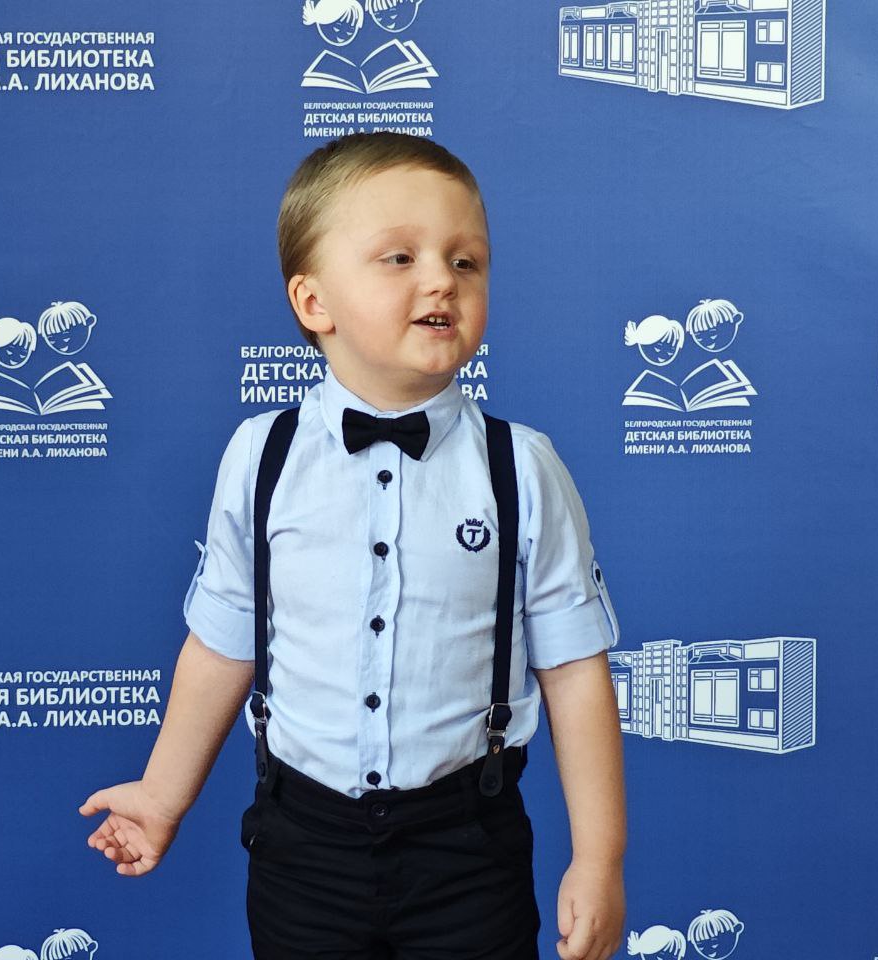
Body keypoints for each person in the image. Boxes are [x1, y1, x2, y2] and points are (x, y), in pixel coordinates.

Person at [79, 132, 626, 960]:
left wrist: (599, 858)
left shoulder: (524, 467)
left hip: (467, 849)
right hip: (302, 850)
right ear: (313, 304)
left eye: (467, 261)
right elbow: (222, 645)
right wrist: (162, 795)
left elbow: (575, 673)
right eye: (400, 258)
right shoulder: (260, 457)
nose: (442, 279)